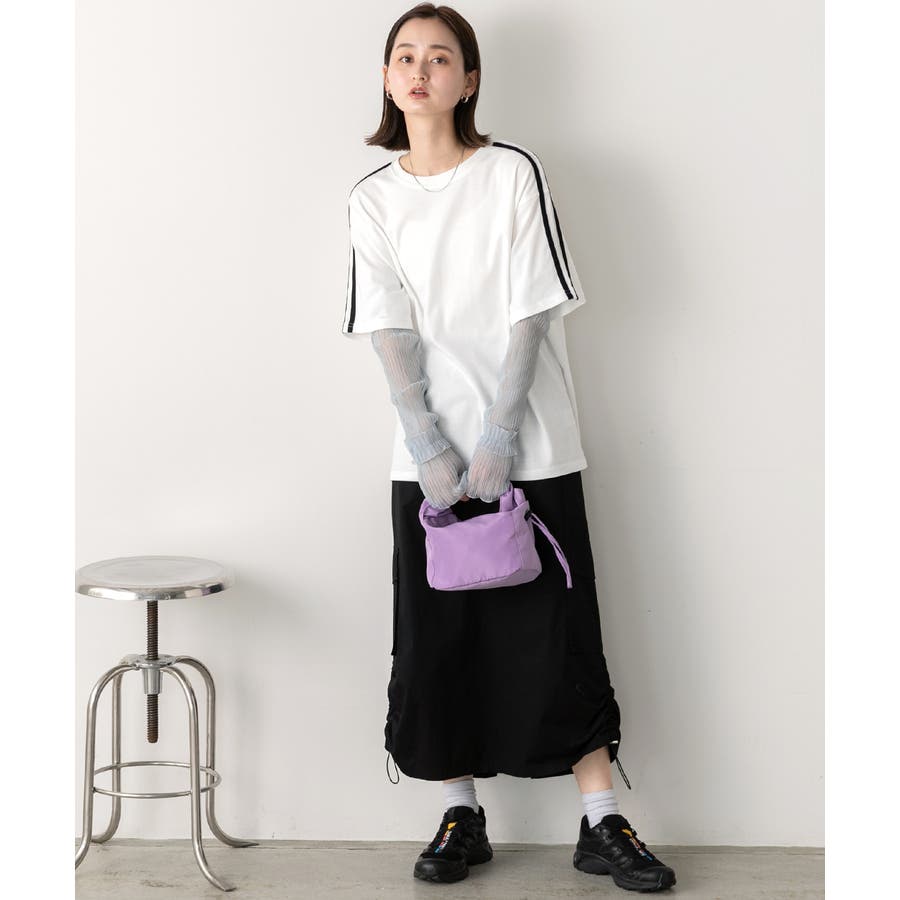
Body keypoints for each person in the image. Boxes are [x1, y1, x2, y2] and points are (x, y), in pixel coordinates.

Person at [341, 4, 676, 893]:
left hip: (534, 448)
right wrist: (428, 440)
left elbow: (532, 308)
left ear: (470, 79)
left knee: (558, 634)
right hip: (427, 465)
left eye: (440, 57)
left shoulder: (510, 173)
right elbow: (387, 327)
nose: (421, 71)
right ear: (387, 79)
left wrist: (499, 432)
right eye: (405, 57)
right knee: (438, 640)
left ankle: (601, 821)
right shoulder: (372, 199)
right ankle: (461, 813)